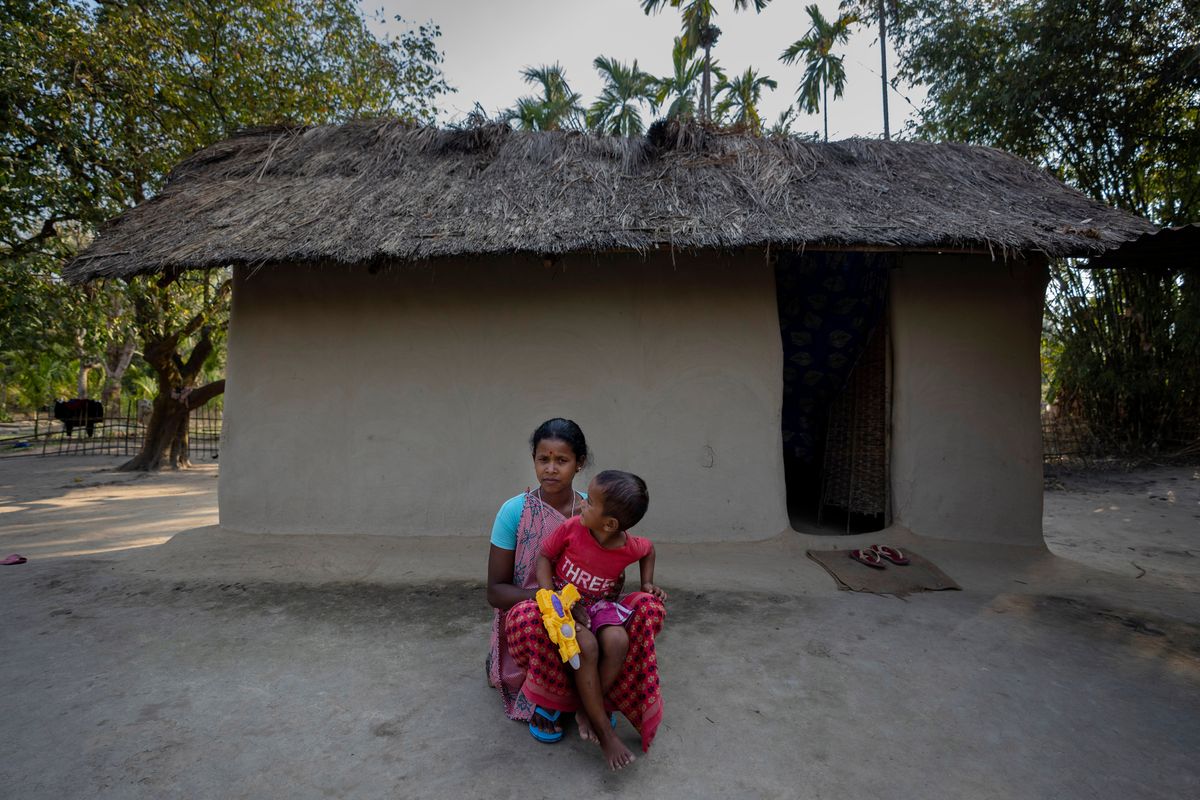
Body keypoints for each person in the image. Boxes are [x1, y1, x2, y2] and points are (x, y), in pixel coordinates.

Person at [485, 419, 666, 756]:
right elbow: (495, 591)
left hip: (590, 613)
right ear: (534, 459)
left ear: (580, 462)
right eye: (543, 459)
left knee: (639, 613)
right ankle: (550, 701)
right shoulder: (515, 512)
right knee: (531, 618)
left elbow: (618, 570)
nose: (550, 469)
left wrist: (639, 588)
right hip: (540, 617)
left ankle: (596, 698)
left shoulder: (597, 508)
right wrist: (552, 601)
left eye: (562, 461)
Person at [536, 470, 664, 770]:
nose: (581, 504)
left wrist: (647, 584)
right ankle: (605, 733)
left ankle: (586, 708)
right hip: (567, 602)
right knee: (588, 647)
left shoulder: (627, 546)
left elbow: (649, 549)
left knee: (618, 640)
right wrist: (551, 597)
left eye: (589, 502)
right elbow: (543, 556)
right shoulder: (571, 529)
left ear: (609, 524)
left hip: (601, 606)